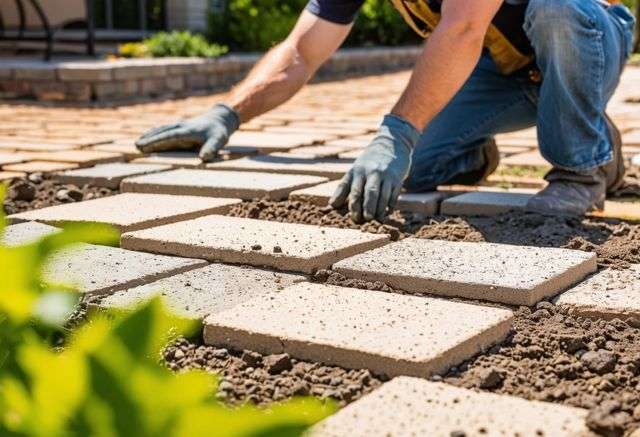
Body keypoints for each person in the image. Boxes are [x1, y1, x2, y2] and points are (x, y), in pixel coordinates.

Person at [136, 0, 636, 222]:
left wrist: (396, 131)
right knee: (417, 172)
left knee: (558, 7)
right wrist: (227, 112)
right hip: (507, 71)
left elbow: (462, 27)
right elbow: (300, 52)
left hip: (588, 37)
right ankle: (478, 152)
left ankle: (580, 167)